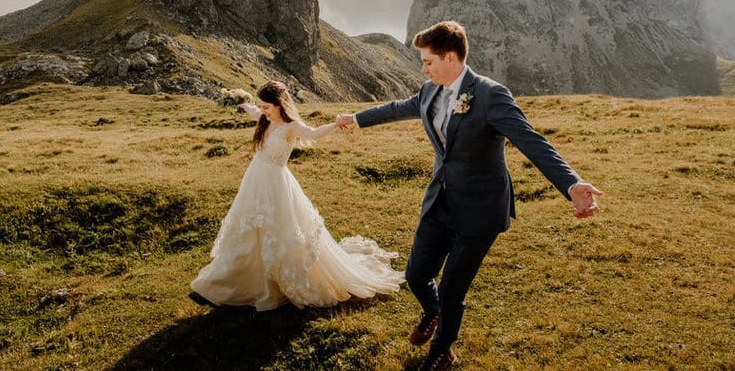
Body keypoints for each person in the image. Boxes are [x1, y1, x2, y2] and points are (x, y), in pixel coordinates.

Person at [336, 21, 603, 371]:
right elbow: (398, 107)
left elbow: (531, 141)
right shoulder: (430, 91)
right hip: (440, 201)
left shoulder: (491, 95)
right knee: (416, 274)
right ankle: (433, 312)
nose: (423, 67)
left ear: (450, 57)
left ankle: (441, 351)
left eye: (428, 61)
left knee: (452, 289)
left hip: (479, 211)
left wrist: (571, 184)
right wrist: (356, 118)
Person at [189, 80, 404, 311]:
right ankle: (224, 284)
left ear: (279, 105)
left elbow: (312, 133)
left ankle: (275, 284)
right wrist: (242, 102)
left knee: (279, 232)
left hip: (277, 185)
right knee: (247, 231)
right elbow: (252, 111)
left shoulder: (290, 126)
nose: (263, 111)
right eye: (261, 107)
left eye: (267, 107)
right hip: (254, 183)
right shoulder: (263, 118)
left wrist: (335, 124)